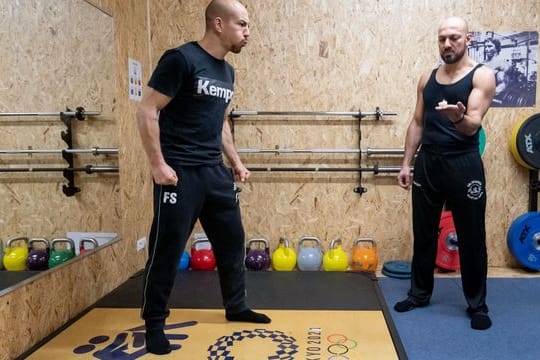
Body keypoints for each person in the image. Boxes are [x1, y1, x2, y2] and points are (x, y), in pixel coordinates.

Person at [136, 0, 271, 355]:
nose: (247, 33)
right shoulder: (180, 59)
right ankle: (154, 324)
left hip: (215, 172)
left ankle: (236, 306)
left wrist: (236, 162)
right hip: (179, 174)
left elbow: (220, 121)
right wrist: (157, 165)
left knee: (231, 241)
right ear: (218, 24)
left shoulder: (227, 72)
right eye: (242, 25)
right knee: (166, 249)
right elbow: (147, 108)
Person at [394, 17, 496, 331]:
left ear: (469, 39)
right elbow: (418, 122)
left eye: (453, 38)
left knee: (472, 236)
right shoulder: (427, 78)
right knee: (423, 233)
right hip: (429, 163)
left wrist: (457, 118)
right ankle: (419, 293)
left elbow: (472, 124)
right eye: (442, 39)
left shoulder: (482, 76)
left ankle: (477, 304)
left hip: (463, 164)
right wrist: (407, 162)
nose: (447, 44)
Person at [483, 37, 511, 103]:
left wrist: (488, 95)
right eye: (485, 47)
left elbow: (503, 84)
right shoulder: (482, 63)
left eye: (490, 46)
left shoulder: (502, 64)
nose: (486, 49)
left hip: (492, 98)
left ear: (497, 48)